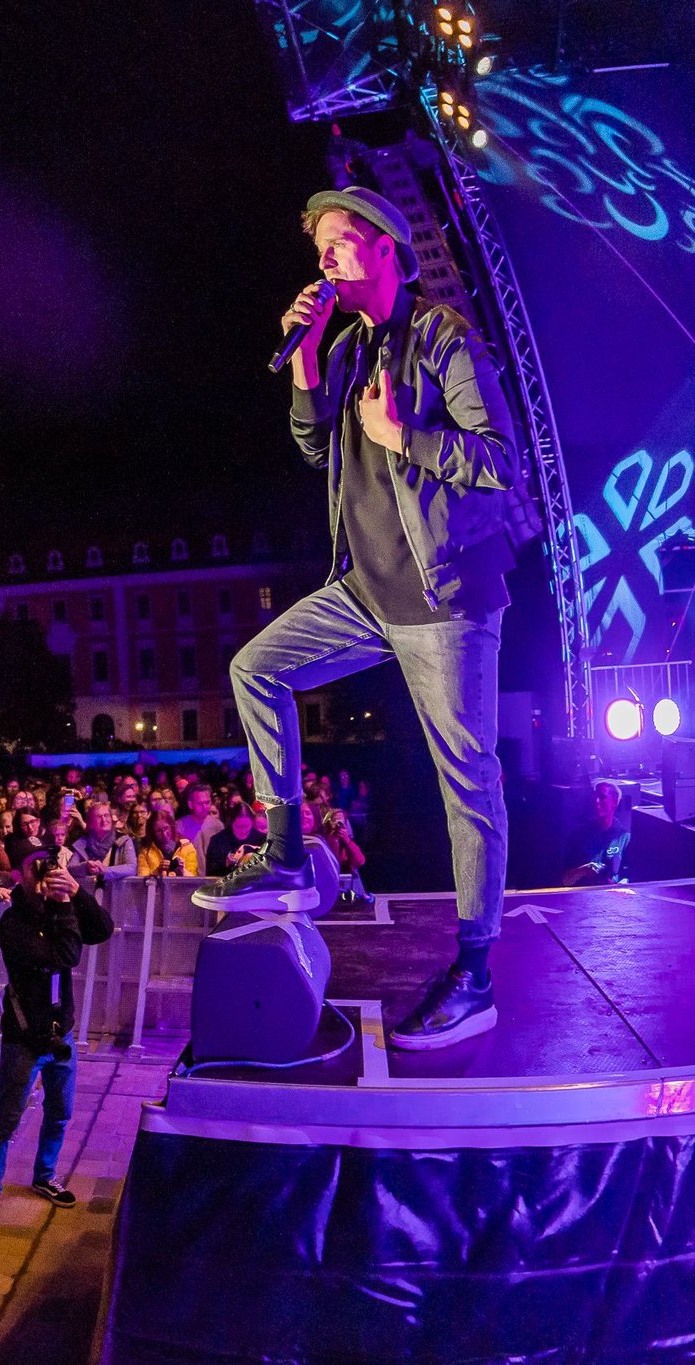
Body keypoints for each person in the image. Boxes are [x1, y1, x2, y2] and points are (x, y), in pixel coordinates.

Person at [199, 186, 519, 1051]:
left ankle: (476, 972)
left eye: (338, 243)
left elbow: (501, 463)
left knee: (468, 783)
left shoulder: (443, 337)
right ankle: (284, 847)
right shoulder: (343, 346)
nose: (325, 260)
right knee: (254, 668)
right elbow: (314, 449)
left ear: (384, 246)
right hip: (366, 590)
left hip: (445, 596)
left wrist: (405, 435)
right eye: (319, 251)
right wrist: (303, 364)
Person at [0, 849, 114, 1235]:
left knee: (60, 1111)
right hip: (26, 1037)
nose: (47, 879)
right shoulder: (14, 921)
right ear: (22, 876)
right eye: (40, 873)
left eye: (52, 871)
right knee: (7, 1119)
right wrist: (65, 904)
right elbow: (66, 955)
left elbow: (102, 929)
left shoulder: (62, 904)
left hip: (60, 1032)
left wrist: (77, 892)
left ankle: (44, 1175)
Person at [559, 780, 629, 886]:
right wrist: (584, 870)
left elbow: (632, 876)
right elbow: (564, 880)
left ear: (614, 802)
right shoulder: (579, 836)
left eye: (602, 797)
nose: (596, 801)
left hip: (615, 898)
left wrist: (619, 885)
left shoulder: (624, 837)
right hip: (583, 897)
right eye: (594, 797)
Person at [136, 808, 200, 877]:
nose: (164, 834)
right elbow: (142, 880)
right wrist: (158, 871)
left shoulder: (186, 847)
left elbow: (194, 879)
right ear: (153, 832)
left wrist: (182, 871)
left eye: (166, 828)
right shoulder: (145, 852)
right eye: (159, 831)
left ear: (171, 826)